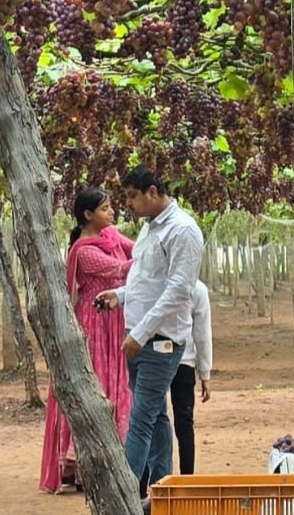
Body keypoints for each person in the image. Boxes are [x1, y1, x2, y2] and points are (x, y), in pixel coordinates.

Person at [96, 166, 204, 509]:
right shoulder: (148, 230)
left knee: (140, 419)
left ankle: (123, 499)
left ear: (153, 192)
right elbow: (147, 282)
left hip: (160, 340)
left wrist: (140, 334)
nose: (127, 204)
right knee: (156, 417)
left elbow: (178, 290)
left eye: (132, 196)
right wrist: (120, 295)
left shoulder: (183, 230)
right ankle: (162, 494)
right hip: (141, 336)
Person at [40, 188, 135, 493]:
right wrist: (160, 253)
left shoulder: (111, 237)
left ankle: (109, 457)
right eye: (105, 209)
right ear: (88, 215)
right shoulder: (84, 250)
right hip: (95, 323)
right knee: (99, 384)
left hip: (114, 319)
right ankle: (82, 463)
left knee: (114, 383)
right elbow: (121, 268)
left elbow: (134, 249)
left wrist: (151, 247)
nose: (112, 213)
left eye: (111, 207)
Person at [139, 279, 213, 498]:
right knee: (183, 424)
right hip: (183, 361)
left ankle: (142, 487)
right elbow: (202, 333)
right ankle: (185, 484)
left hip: (159, 360)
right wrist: (205, 372)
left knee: (149, 420)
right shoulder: (197, 288)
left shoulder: (157, 285)